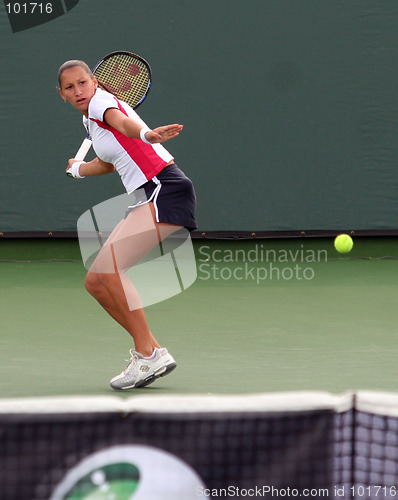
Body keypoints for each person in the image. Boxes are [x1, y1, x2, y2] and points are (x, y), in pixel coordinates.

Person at [58, 60, 197, 390]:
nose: (78, 91)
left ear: (95, 82)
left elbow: (123, 124)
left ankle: (148, 354)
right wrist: (78, 169)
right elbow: (108, 162)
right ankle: (152, 353)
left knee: (110, 271)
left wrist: (147, 134)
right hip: (146, 195)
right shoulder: (89, 120)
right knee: (95, 281)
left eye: (82, 83)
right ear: (61, 94)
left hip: (165, 189)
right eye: (69, 87)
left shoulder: (102, 103)